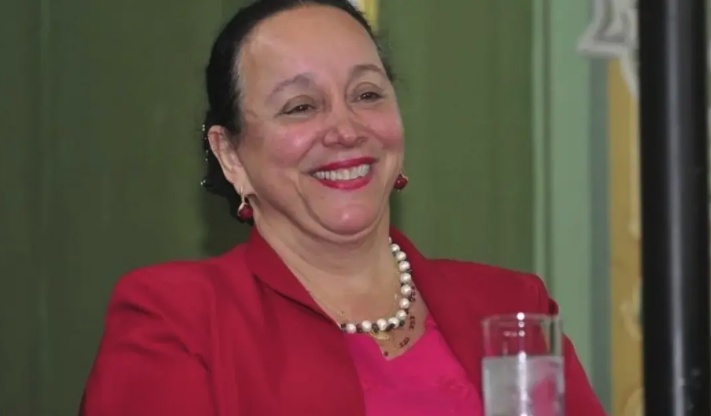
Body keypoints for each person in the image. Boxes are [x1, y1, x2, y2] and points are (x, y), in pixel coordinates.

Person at [79, 0, 607, 415]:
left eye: (367, 95)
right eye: (300, 107)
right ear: (231, 154)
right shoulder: (179, 320)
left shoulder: (512, 306)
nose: (345, 129)